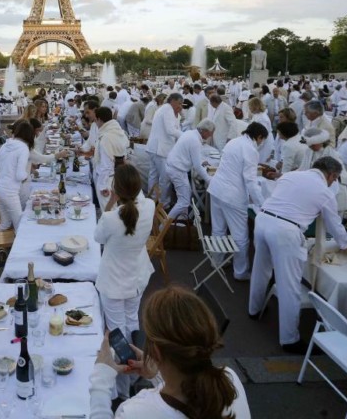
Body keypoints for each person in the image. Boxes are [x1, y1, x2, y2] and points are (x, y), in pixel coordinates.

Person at [89, 285, 250, 418]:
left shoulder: (136, 412)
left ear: (157, 352)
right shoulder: (230, 380)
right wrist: (158, 373)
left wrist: (101, 380)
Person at [249, 157, 347, 353]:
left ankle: (253, 310)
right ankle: (289, 340)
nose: (333, 183)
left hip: (263, 220)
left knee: (260, 269)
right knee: (290, 285)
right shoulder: (325, 192)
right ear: (331, 174)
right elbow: (334, 224)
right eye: (335, 179)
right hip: (286, 231)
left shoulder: (291, 176)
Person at [94, 164, 154, 398]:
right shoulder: (148, 206)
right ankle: (135, 373)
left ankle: (121, 389)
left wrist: (111, 201)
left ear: (116, 190)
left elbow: (97, 236)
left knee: (117, 333)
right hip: (136, 277)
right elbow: (136, 200)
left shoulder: (111, 218)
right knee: (132, 324)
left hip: (113, 281)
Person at [208, 122, 268, 281]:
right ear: (259, 136)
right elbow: (250, 180)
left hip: (216, 189)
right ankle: (240, 272)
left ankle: (217, 261)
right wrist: (262, 205)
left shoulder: (233, 142)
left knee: (218, 230)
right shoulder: (250, 150)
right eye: (262, 140)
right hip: (232, 196)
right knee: (240, 237)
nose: (261, 143)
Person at [0, 120, 34, 232]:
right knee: (20, 226)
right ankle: (19, 249)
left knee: (5, 223)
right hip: (10, 192)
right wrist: (27, 177)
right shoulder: (24, 148)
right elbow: (19, 175)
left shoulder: (5, 145)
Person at [165, 120, 214, 219]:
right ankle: (164, 227)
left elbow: (194, 157)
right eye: (211, 132)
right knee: (184, 202)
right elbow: (197, 166)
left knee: (185, 196)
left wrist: (201, 161)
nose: (211, 135)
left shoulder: (190, 133)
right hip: (177, 170)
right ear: (205, 131)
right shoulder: (195, 140)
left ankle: (181, 221)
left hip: (174, 167)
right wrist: (209, 180)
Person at [145, 93, 182, 201]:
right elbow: (170, 130)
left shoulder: (167, 109)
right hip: (160, 149)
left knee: (153, 176)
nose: (180, 106)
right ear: (173, 101)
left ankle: (153, 200)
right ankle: (162, 203)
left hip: (156, 148)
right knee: (164, 178)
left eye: (181, 104)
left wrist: (178, 114)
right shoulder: (167, 109)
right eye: (179, 103)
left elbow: (174, 127)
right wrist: (185, 136)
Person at [94, 107, 130, 210]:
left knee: (109, 212)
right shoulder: (119, 132)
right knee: (115, 210)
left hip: (107, 179)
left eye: (96, 120)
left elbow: (106, 164)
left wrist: (102, 186)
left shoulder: (106, 137)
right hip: (119, 177)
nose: (96, 123)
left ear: (99, 119)